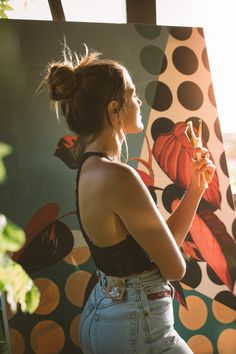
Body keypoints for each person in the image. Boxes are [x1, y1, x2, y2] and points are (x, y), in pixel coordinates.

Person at [45, 44, 215, 354]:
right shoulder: (120, 176)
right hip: (139, 323)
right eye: (133, 95)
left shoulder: (88, 168)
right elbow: (174, 269)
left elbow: (156, 247)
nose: (138, 101)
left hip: (103, 315)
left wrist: (195, 189)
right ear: (113, 109)